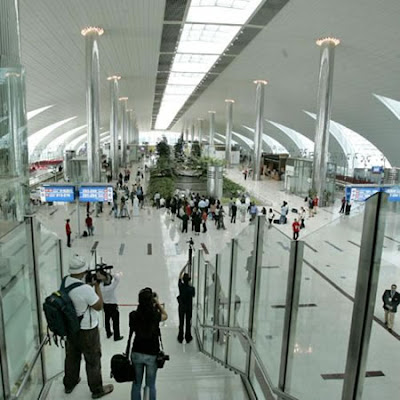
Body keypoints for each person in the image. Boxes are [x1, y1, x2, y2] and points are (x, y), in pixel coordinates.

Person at [63, 255, 113, 398]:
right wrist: (96, 286)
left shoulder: (65, 282)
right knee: (93, 360)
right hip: (88, 330)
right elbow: (98, 306)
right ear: (82, 271)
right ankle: (97, 390)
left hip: (71, 328)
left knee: (72, 357)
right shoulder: (85, 289)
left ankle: (69, 384)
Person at [127, 288, 168, 400]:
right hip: (152, 354)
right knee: (150, 385)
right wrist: (158, 303)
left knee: (136, 384)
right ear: (152, 301)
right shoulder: (155, 315)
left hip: (137, 352)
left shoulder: (133, 315)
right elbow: (165, 315)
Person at [99, 271, 124, 341]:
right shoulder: (111, 287)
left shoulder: (101, 287)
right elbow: (117, 279)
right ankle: (117, 336)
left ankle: (108, 333)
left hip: (106, 305)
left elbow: (100, 281)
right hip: (113, 306)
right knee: (115, 322)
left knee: (107, 320)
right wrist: (112, 274)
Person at [177, 268, 195, 343]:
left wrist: (184, 267)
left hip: (181, 306)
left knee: (181, 322)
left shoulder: (181, 286)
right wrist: (190, 285)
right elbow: (193, 295)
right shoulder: (191, 288)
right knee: (188, 322)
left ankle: (180, 336)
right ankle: (188, 337)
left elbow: (179, 276)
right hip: (189, 307)